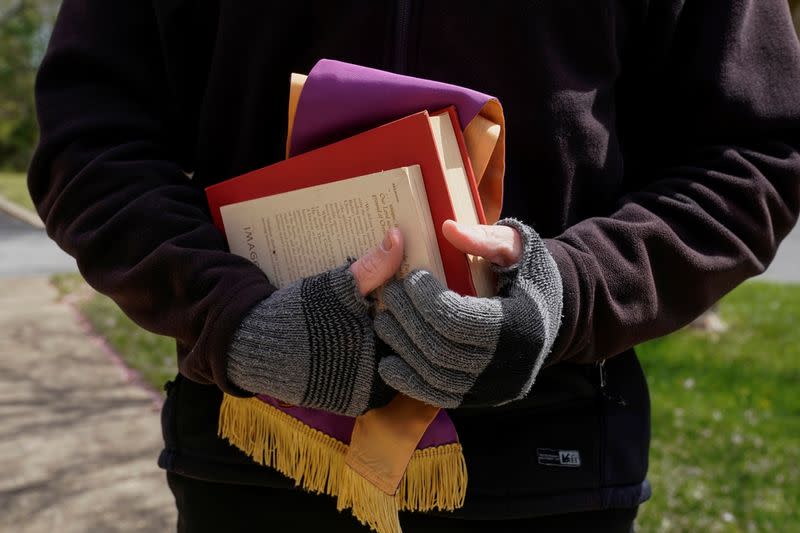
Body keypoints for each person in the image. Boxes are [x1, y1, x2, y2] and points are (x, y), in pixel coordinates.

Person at [29, 1, 800, 532]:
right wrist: (231, 320)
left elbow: (753, 155)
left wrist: (568, 291)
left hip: (548, 470)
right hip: (256, 465)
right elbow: (90, 143)